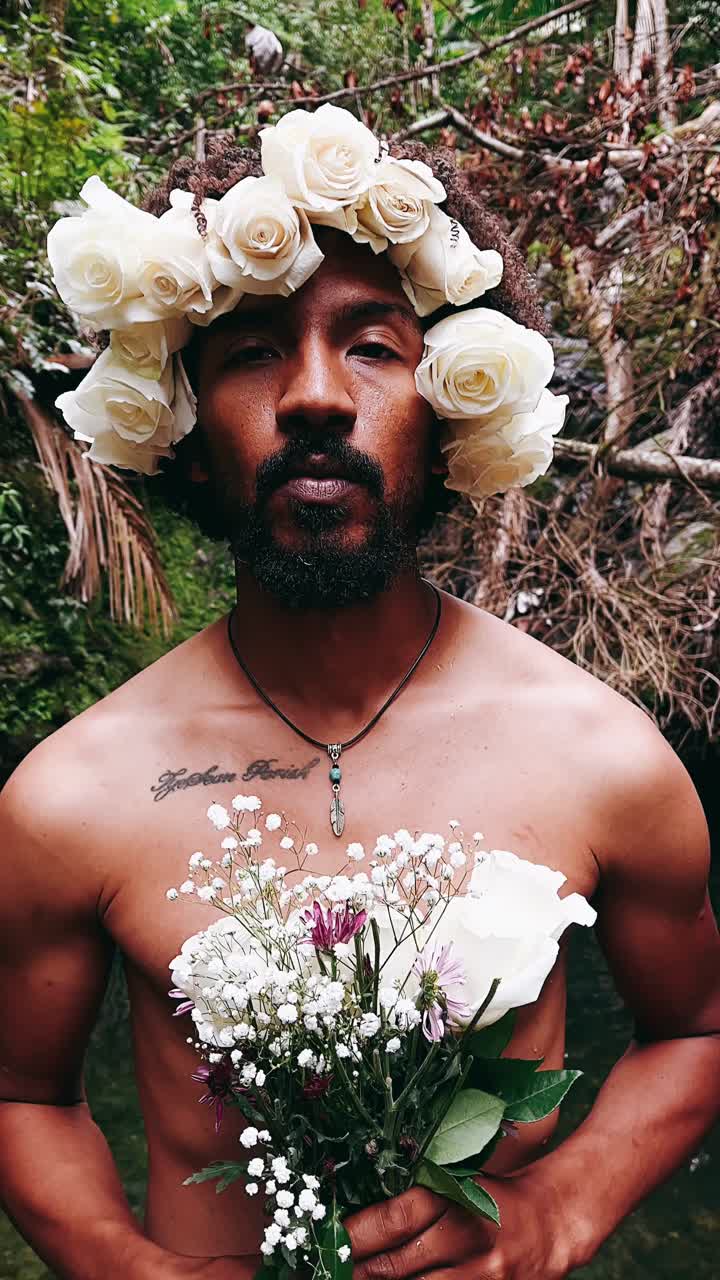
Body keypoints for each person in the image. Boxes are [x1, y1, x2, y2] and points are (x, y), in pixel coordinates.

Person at [1, 107, 719, 1280]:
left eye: (374, 346)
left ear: (450, 416)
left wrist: (557, 1210)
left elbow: (694, 1028)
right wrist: (133, 1268)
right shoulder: (72, 795)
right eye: (251, 352)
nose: (317, 396)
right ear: (185, 434)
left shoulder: (604, 757)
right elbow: (24, 1094)